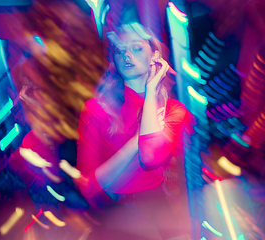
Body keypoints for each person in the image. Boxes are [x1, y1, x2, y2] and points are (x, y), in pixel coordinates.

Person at [76, 22, 192, 239]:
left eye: (136, 47)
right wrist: (139, 138)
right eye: (120, 50)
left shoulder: (173, 110)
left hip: (159, 214)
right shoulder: (95, 109)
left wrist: (151, 90)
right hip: (114, 219)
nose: (127, 54)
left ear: (154, 55)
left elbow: (149, 157)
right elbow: (88, 186)